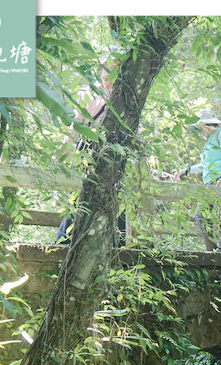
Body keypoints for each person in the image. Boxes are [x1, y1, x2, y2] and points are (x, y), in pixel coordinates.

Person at [56, 56, 126, 246]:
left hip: (114, 150)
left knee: (115, 194)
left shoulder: (123, 94)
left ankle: (118, 245)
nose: (110, 71)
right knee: (80, 194)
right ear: (101, 68)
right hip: (90, 147)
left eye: (115, 67)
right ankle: (63, 241)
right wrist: (65, 147)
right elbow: (77, 122)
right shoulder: (90, 92)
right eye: (107, 67)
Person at [173, 110, 221, 252]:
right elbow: (204, 165)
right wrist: (185, 171)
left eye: (201, 127)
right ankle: (213, 248)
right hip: (210, 181)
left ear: (206, 125)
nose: (201, 130)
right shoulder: (208, 141)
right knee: (200, 215)